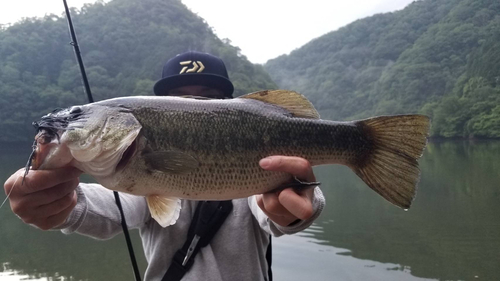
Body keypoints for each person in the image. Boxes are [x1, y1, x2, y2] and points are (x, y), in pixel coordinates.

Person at [4, 51, 325, 281]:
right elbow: (111, 207)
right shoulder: (135, 176)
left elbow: (270, 208)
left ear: (234, 105)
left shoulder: (254, 168)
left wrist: (297, 204)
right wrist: (62, 203)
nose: (191, 106)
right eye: (178, 99)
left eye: (207, 98)